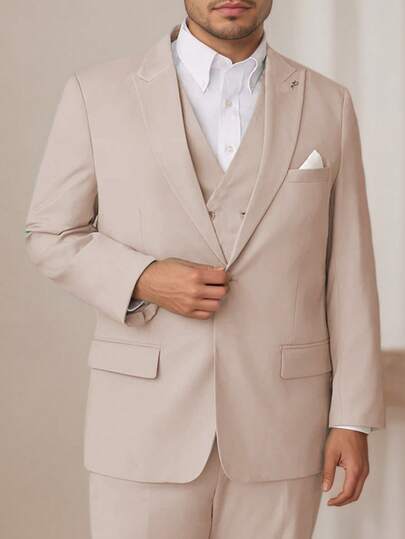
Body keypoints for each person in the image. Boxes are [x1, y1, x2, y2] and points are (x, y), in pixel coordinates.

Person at [25, 1, 385, 537]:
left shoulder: (328, 103)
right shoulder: (95, 94)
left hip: (283, 428)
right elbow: (51, 234)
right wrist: (145, 278)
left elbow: (350, 270)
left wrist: (352, 417)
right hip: (142, 427)